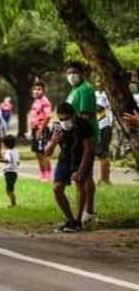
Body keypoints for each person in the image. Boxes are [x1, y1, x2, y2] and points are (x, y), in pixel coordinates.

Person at [44, 102, 94, 233]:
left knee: (80, 184)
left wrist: (81, 171)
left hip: (81, 156)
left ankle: (78, 221)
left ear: (73, 116)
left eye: (66, 119)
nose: (64, 122)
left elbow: (88, 150)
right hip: (66, 157)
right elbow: (47, 152)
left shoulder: (83, 124)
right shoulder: (57, 127)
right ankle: (70, 220)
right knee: (57, 188)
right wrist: (54, 142)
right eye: (61, 119)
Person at [65, 61, 99, 226]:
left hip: (85, 138)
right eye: (69, 72)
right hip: (75, 139)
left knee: (85, 175)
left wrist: (78, 135)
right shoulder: (74, 91)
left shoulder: (85, 89)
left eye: (74, 72)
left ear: (82, 73)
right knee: (81, 177)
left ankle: (89, 211)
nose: (71, 75)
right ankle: (84, 211)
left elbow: (85, 116)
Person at [29, 80, 53, 181]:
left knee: (43, 153)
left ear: (43, 90)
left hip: (41, 130)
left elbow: (48, 116)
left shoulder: (45, 101)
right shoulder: (35, 101)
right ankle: (42, 173)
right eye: (34, 89)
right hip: (35, 129)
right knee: (37, 153)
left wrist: (41, 129)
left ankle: (48, 175)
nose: (36, 91)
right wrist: (31, 131)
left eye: (39, 89)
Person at [94, 78, 113, 185]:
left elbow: (99, 108)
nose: (99, 83)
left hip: (105, 125)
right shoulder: (95, 93)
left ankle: (105, 179)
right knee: (99, 153)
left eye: (101, 81)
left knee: (103, 152)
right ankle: (103, 179)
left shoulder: (107, 95)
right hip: (97, 126)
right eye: (98, 81)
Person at [0, 135, 19, 207]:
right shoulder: (15, 151)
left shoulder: (8, 152)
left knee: (9, 190)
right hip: (15, 172)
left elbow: (7, 160)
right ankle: (13, 203)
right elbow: (17, 162)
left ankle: (13, 203)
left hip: (9, 173)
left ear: (5, 144)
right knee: (10, 188)